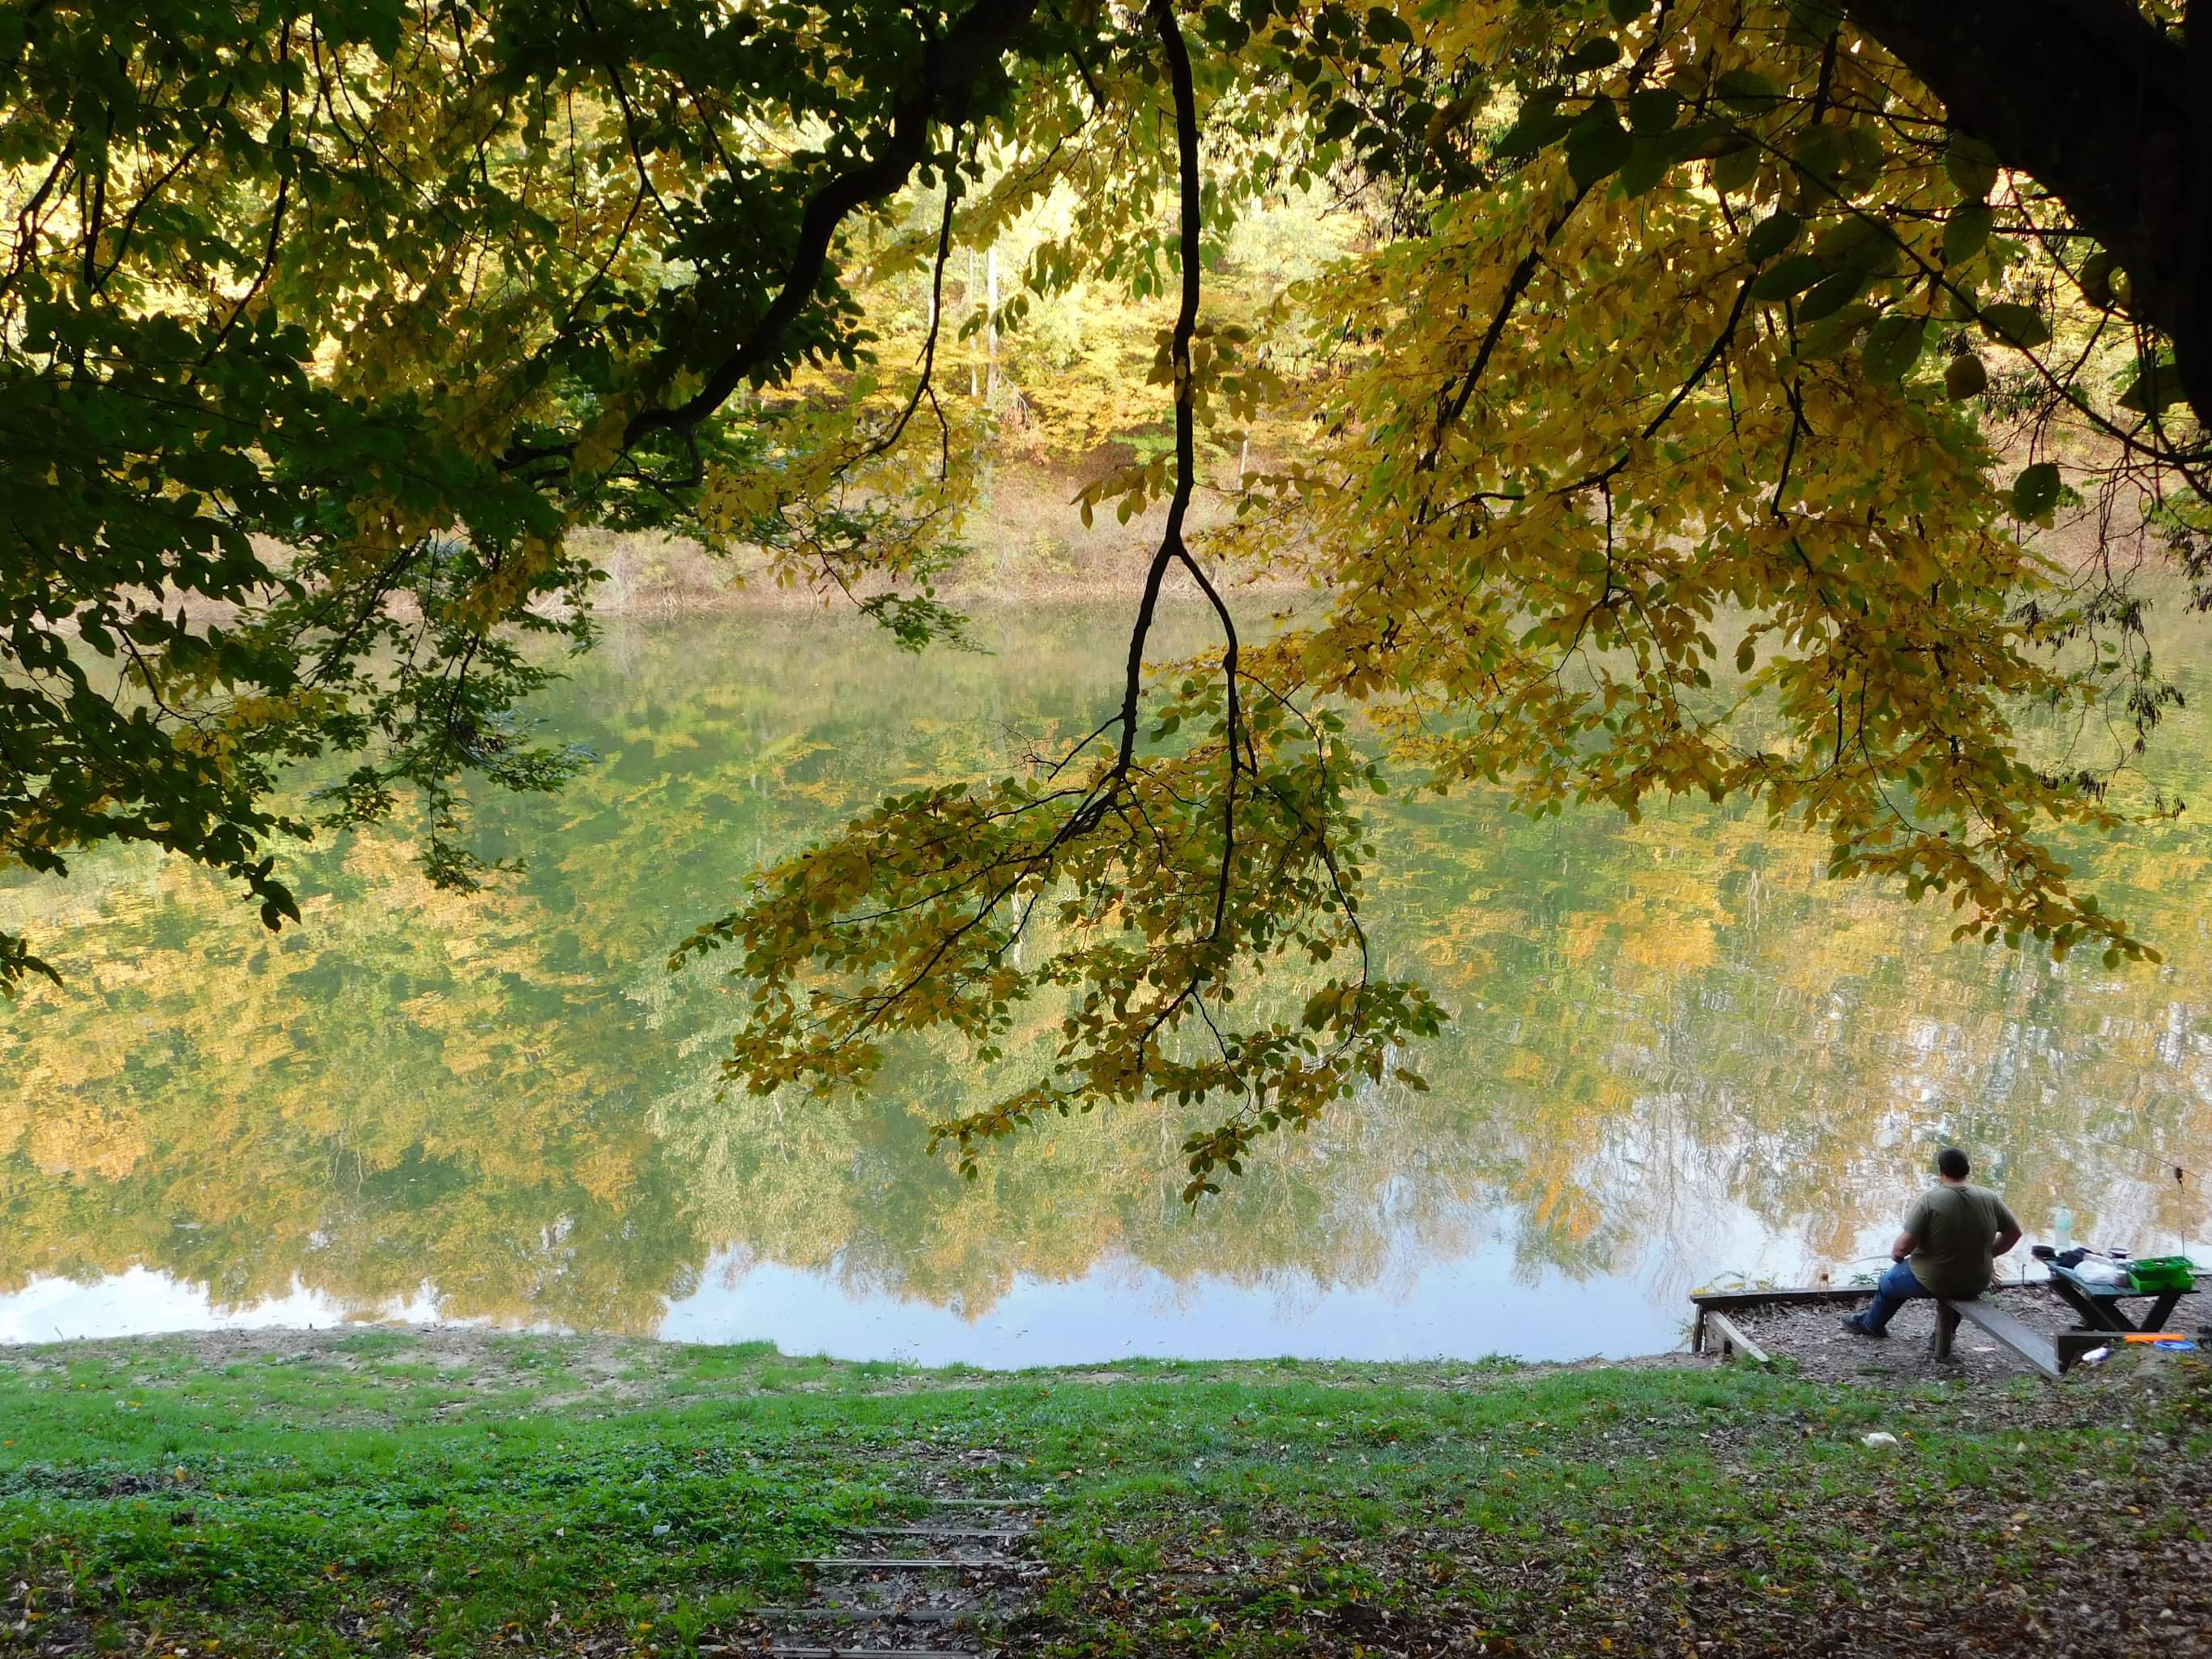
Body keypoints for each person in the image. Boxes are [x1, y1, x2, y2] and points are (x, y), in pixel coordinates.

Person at [1842, 1148, 2022, 1338]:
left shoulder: (1931, 1200)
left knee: (1889, 1282)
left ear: (1941, 1171)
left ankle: (1871, 1325)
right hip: (1976, 1281)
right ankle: (1943, 1336)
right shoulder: (1990, 1197)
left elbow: (1902, 1248)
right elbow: (2014, 1234)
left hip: (1936, 1279)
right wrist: (1987, 1254)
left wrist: (1896, 1255)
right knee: (1958, 1287)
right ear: (1968, 1170)